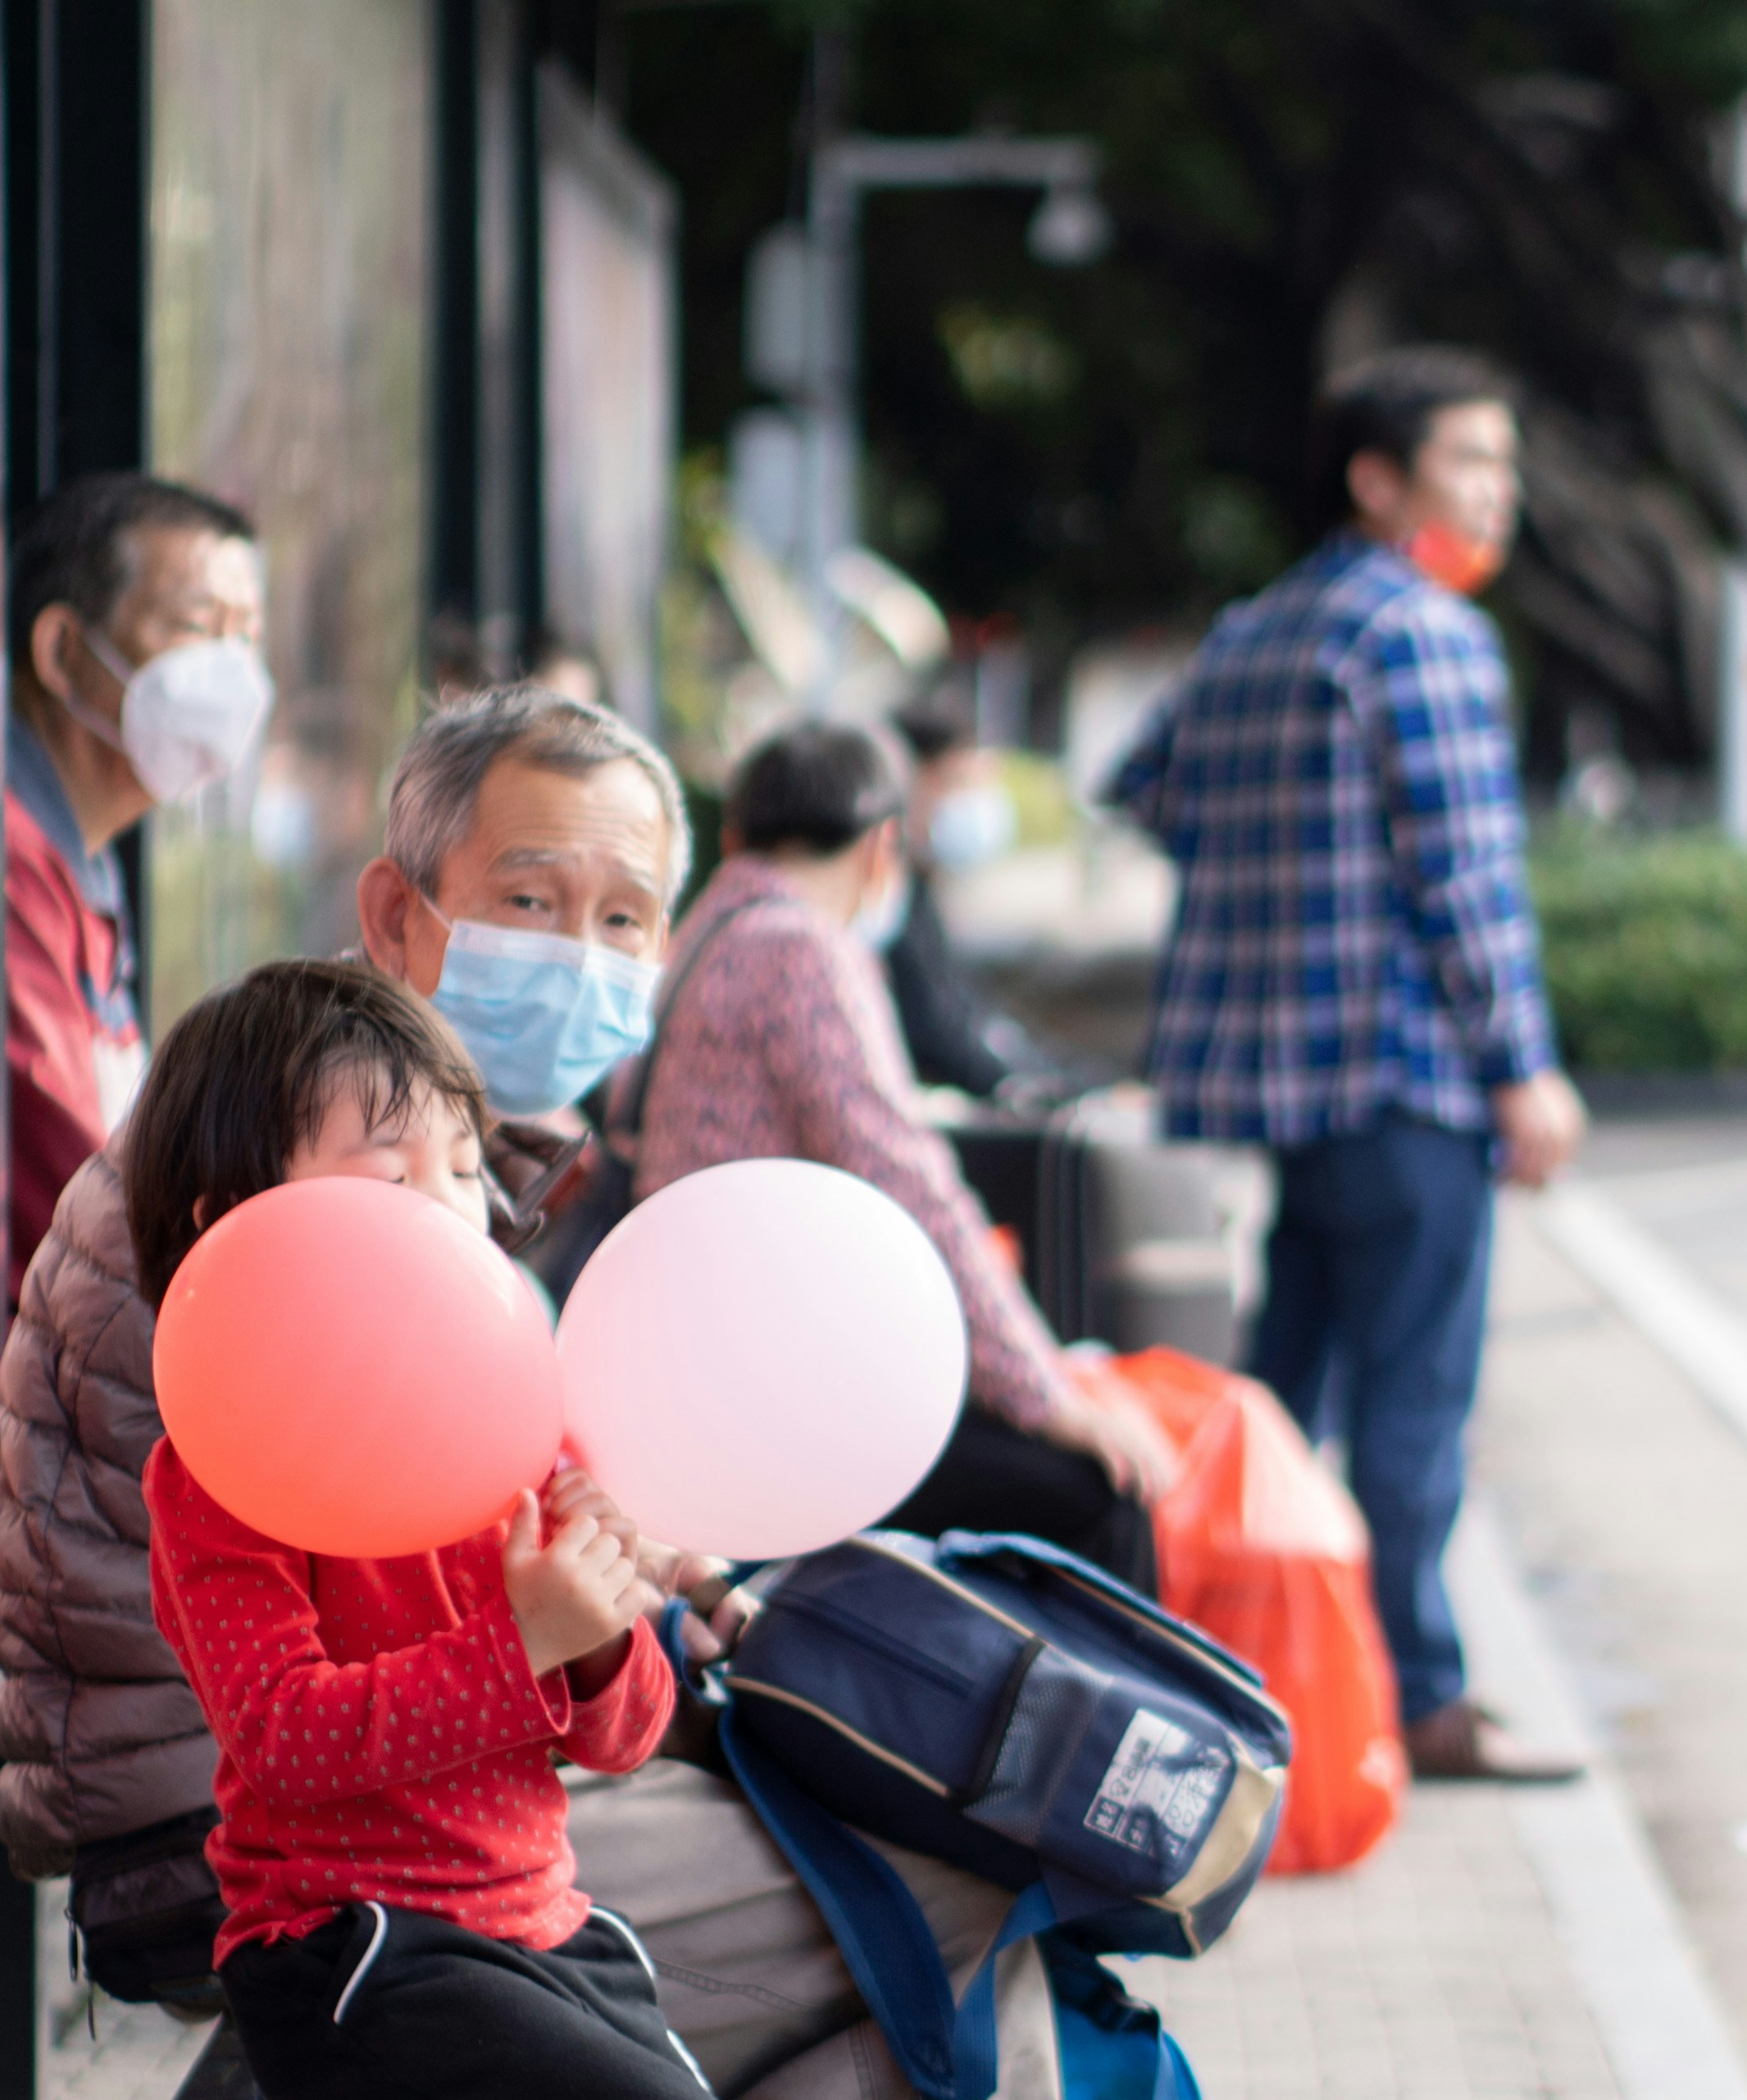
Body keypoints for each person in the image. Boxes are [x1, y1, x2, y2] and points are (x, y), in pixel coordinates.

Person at [0, 685, 1068, 2100]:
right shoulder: (255, 1228)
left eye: (624, 916)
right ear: (395, 911)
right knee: (947, 1912)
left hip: (476, 1828)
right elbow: (286, 1698)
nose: (579, 950)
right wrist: (532, 1626)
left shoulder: (428, 1172)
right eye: (528, 900)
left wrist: (608, 1598)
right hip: (255, 1856)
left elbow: (586, 1699)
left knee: (865, 1975)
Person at [128, 959, 795, 2100]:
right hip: (345, 1952)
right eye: (390, 1171)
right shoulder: (222, 1472)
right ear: (232, 1225)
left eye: (458, 1169)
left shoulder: (508, 1414)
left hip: (540, 1931)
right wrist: (521, 1642)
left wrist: (602, 1621)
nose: (444, 1208)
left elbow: (628, 1731)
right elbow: (288, 1737)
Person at [1103, 347, 1593, 1783]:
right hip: (1400, 1082)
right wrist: (1523, 1065)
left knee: (1283, 1406)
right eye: (1470, 467)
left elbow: (1145, 786)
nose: (1496, 495)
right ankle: (1419, 1696)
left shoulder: (1255, 632)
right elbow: (1466, 874)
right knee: (1413, 1405)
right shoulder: (1422, 633)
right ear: (1379, 483)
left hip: (1262, 1095)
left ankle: (1256, 1683)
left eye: (1503, 467)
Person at [635, 716, 1178, 1586]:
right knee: (1098, 1489)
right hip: (777, 1400)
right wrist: (1047, 1399)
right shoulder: (802, 950)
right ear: (882, 847)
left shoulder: (703, 932)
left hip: (707, 1369)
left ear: (737, 832)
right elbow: (911, 1185)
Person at [0, 474, 275, 1282]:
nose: (230, 672)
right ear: (62, 652)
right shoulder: (8, 862)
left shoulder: (82, 864)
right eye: (194, 626)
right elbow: (74, 1181)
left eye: (245, 638)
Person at [879, 698, 1068, 1107]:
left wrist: (1074, 1084)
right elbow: (940, 1035)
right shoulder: (883, 905)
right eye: (957, 782)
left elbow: (973, 1020)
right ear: (913, 780)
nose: (967, 802)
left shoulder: (914, 892)